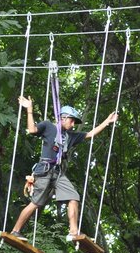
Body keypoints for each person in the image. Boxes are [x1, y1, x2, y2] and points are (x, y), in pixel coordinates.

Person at [10, 95, 118, 242]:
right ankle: (15, 231)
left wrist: (107, 122)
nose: (73, 124)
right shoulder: (49, 126)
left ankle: (73, 232)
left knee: (73, 197)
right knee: (35, 203)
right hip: (44, 170)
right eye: (72, 120)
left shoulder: (70, 136)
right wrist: (29, 109)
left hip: (58, 173)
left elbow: (90, 134)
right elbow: (32, 129)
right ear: (63, 118)